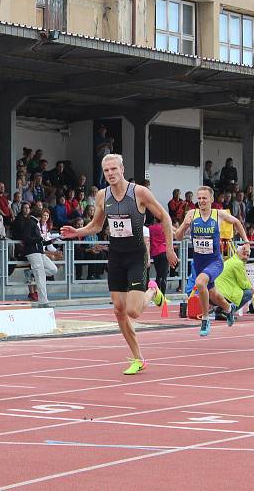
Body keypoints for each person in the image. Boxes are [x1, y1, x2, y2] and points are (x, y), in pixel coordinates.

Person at [62, 154, 178, 375]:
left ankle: (153, 292)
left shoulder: (139, 193)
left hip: (136, 255)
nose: (110, 174)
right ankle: (138, 358)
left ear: (122, 169)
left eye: (114, 169)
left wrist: (170, 248)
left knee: (133, 311)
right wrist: (78, 232)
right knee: (118, 310)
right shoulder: (101, 196)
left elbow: (166, 218)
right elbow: (96, 226)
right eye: (106, 171)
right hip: (116, 255)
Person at [174, 186, 248, 336]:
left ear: (211, 200)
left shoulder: (218, 215)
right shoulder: (191, 214)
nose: (201, 201)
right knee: (213, 294)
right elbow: (178, 237)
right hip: (199, 262)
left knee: (200, 283)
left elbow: (237, 223)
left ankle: (206, 319)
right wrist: (185, 225)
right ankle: (229, 309)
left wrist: (246, 241)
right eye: (199, 198)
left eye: (204, 198)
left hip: (215, 262)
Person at [215, 243, 254, 312]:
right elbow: (243, 284)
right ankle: (228, 312)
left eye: (247, 255)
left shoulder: (230, 260)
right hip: (224, 294)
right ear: (237, 253)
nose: (245, 257)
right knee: (249, 293)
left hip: (216, 292)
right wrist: (252, 288)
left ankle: (222, 310)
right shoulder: (238, 263)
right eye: (244, 254)